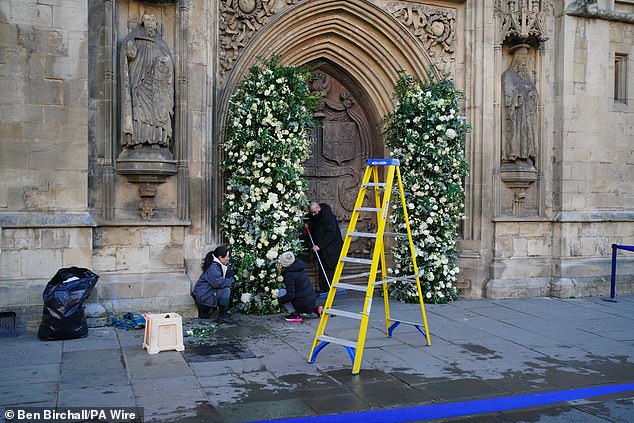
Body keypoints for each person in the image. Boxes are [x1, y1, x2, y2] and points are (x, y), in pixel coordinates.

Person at [120, 13, 174, 149]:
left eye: (153, 20)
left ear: (156, 25)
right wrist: (128, 48)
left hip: (156, 82)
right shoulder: (134, 37)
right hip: (138, 80)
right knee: (138, 109)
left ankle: (157, 140)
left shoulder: (160, 43)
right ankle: (136, 140)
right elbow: (128, 53)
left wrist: (164, 63)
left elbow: (168, 61)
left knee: (157, 110)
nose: (150, 22)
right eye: (148, 20)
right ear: (143, 23)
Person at [502, 44, 538, 166]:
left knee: (526, 134)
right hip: (516, 114)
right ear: (516, 58)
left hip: (527, 115)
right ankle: (514, 156)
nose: (524, 60)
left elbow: (533, 91)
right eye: (522, 56)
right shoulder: (508, 75)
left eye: (526, 57)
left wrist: (533, 94)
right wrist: (517, 97)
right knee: (517, 133)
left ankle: (526, 156)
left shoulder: (526, 77)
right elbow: (508, 95)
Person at [191, 245, 235, 324]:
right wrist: (231, 280)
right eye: (227, 257)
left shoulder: (217, 265)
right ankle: (222, 316)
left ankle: (218, 313)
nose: (228, 259)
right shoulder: (213, 267)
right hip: (203, 297)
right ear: (220, 257)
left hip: (205, 294)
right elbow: (218, 283)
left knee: (225, 288)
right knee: (226, 290)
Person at [306, 202, 343, 293]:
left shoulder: (328, 217)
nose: (313, 214)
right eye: (312, 213)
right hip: (322, 248)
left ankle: (329, 290)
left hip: (331, 248)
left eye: (314, 212)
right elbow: (313, 221)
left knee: (328, 269)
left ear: (319, 209)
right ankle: (323, 289)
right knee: (322, 269)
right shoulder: (315, 216)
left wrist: (319, 245)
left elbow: (331, 234)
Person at [278, 251, 322, 322]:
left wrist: (280, 301)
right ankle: (316, 309)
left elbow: (290, 295)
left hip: (303, 304)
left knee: (281, 292)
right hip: (311, 301)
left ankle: (295, 314)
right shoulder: (299, 267)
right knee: (302, 295)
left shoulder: (289, 275)